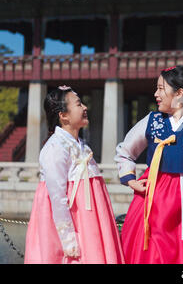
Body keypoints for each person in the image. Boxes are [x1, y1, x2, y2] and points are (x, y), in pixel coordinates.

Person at [115, 65, 183, 264]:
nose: (156, 94)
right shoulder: (152, 120)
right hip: (155, 197)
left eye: (161, 88)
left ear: (179, 93)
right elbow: (124, 152)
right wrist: (131, 180)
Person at [25, 85, 125, 264]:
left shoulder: (81, 146)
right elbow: (57, 198)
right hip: (75, 226)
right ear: (63, 115)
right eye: (79, 104)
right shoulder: (55, 148)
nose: (85, 107)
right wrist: (69, 241)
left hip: (89, 223)